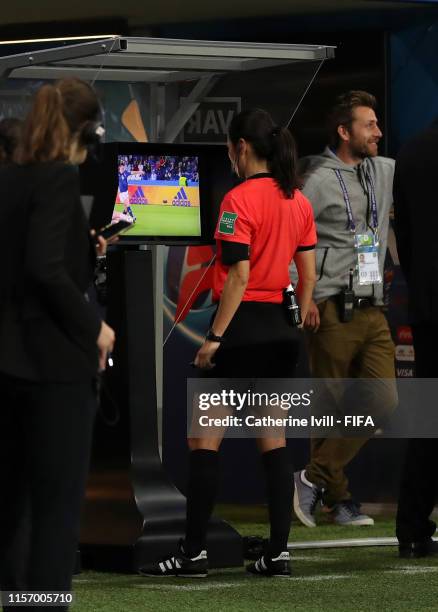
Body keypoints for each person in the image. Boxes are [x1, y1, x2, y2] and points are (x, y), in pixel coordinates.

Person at [139, 108, 317, 579]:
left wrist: (215, 337)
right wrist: (295, 316)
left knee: (204, 440)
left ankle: (193, 553)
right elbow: (309, 275)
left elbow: (238, 275)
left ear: (240, 148)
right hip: (282, 327)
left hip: (241, 329)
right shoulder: (297, 199)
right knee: (273, 440)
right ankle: (278, 553)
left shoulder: (238, 200)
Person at [0, 78, 115, 609]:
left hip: (11, 368)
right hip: (54, 372)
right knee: (55, 511)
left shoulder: (10, 180)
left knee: (16, 507)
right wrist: (95, 327)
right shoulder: (57, 180)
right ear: (88, 129)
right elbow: (45, 270)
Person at [293, 91, 398, 528]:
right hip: (331, 306)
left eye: (376, 123)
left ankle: (311, 478)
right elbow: (293, 238)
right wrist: (305, 294)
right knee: (329, 407)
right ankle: (338, 500)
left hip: (374, 307)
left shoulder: (383, 169)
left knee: (383, 401)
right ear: (343, 131)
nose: (377, 132)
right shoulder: (315, 178)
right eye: (368, 125)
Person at [393, 119, 438, 558]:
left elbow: (403, 235)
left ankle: (411, 526)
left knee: (431, 422)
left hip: (427, 307)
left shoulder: (412, 151)